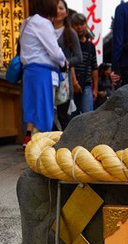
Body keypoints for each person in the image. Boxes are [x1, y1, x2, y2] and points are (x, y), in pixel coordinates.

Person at [20, 0, 68, 146]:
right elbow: (55, 52)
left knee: (33, 112)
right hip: (43, 73)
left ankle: (33, 144)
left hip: (30, 71)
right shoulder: (43, 23)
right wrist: (64, 61)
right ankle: (43, 147)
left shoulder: (27, 22)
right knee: (45, 113)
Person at [52, 0, 82, 130]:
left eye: (61, 8)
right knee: (48, 114)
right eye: (55, 8)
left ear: (66, 12)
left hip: (63, 79)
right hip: (46, 77)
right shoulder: (45, 30)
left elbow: (79, 57)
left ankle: (65, 146)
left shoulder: (70, 33)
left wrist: (66, 62)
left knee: (63, 115)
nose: (58, 11)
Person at [71, 13, 98, 115]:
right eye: (76, 25)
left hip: (86, 85)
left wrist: (95, 89)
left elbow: (94, 68)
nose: (79, 27)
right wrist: (74, 82)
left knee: (88, 116)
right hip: (72, 86)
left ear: (86, 25)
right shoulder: (70, 44)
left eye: (82, 24)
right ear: (72, 26)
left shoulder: (91, 46)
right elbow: (69, 64)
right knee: (73, 116)